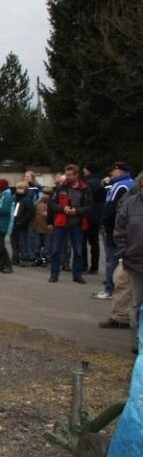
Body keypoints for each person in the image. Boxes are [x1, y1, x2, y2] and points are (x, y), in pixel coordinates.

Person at [106, 172, 143, 455]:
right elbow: (119, 227)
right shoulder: (131, 202)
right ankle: (138, 344)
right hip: (135, 260)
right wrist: (123, 251)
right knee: (136, 305)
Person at [96, 162, 136, 300]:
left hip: (114, 227)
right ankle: (126, 289)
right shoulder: (132, 183)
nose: (111, 174)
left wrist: (104, 223)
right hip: (130, 228)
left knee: (111, 259)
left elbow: (110, 206)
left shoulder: (119, 185)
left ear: (119, 171)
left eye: (113, 171)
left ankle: (110, 289)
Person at [49, 164, 91, 283]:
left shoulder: (85, 189)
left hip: (77, 223)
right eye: (66, 174)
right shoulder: (60, 188)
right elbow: (52, 204)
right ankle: (54, 273)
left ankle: (77, 274)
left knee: (78, 250)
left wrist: (77, 211)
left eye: (69, 175)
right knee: (56, 249)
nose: (66, 177)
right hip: (61, 222)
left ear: (76, 175)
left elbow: (89, 207)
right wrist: (63, 209)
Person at [83, 163, 105, 274]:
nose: (83, 171)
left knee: (83, 242)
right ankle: (94, 266)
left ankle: (83, 265)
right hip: (98, 215)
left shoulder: (88, 183)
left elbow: (87, 199)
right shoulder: (101, 182)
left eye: (85, 169)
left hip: (88, 215)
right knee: (94, 242)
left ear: (89, 171)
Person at [0, 179, 15, 273]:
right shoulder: (3, 195)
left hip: (3, 223)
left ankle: (8, 265)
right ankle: (1, 265)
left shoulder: (7, 196)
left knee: (1, 245)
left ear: (1, 187)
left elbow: (4, 210)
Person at [11, 181, 34, 266]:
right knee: (14, 242)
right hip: (13, 223)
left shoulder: (27, 200)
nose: (19, 190)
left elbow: (30, 213)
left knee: (23, 242)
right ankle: (15, 258)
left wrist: (22, 221)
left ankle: (24, 258)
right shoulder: (14, 199)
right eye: (18, 188)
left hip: (22, 224)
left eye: (21, 188)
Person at [31, 185, 54, 266]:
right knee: (37, 246)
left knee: (46, 248)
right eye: (44, 193)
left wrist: (48, 214)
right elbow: (34, 214)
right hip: (38, 227)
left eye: (47, 194)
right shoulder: (38, 202)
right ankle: (37, 259)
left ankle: (45, 260)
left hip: (47, 229)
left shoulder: (52, 204)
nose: (45, 195)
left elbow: (55, 214)